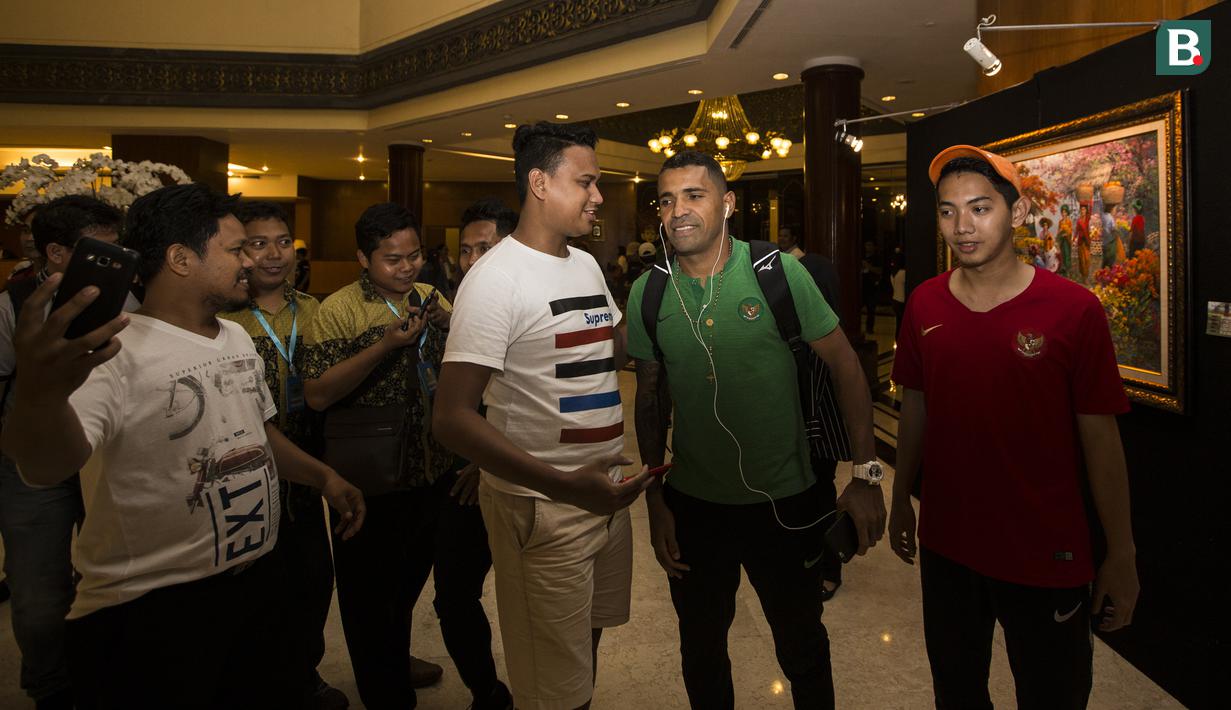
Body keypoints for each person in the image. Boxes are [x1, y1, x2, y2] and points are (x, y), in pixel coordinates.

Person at [1, 183, 366, 710]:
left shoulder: (234, 338)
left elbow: (257, 433)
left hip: (254, 581)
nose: (251, 261)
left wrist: (322, 476)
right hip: (153, 608)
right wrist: (40, 391)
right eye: (235, 249)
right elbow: (45, 467)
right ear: (180, 258)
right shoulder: (111, 352)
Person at [627, 150, 885, 710]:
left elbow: (847, 366)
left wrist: (866, 475)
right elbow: (649, 397)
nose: (677, 211)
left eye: (693, 195)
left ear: (727, 204)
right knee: (701, 650)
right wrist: (655, 499)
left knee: (802, 647)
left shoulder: (777, 273)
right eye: (666, 200)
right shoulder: (649, 291)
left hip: (788, 501)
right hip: (694, 507)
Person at [889, 146, 1139, 710]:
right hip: (949, 546)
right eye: (948, 211)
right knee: (956, 691)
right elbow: (916, 408)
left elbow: (1101, 439)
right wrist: (901, 495)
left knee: (1053, 695)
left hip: (1045, 552)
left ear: (1017, 213)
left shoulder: (1073, 309)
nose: (962, 226)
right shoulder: (925, 303)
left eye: (980, 208)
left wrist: (1121, 552)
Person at [433, 122, 651, 710]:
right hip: (544, 504)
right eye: (586, 182)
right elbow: (451, 417)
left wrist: (666, 296)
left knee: (583, 650)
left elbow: (608, 354)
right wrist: (564, 485)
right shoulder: (495, 280)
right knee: (551, 685)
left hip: (604, 494)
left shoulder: (584, 264)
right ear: (540, 183)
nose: (598, 196)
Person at [301, 202, 457, 708]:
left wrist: (449, 323)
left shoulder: (430, 296)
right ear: (363, 259)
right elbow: (317, 394)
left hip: (431, 466)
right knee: (368, 596)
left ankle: (394, 657)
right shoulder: (338, 310)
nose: (407, 267)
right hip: (368, 476)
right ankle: (385, 692)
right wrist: (384, 346)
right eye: (393, 259)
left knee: (408, 582)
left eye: (414, 255)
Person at [0, 195, 132, 710]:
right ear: (56, 253)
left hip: (108, 457)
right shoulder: (12, 307)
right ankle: (51, 688)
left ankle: (107, 678)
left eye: (119, 249)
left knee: (113, 576)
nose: (116, 262)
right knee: (38, 591)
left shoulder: (131, 300)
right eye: (101, 252)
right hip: (31, 468)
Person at [219, 201, 347, 710]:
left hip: (307, 474)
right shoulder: (221, 318)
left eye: (282, 242)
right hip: (243, 475)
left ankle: (302, 674)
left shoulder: (317, 311)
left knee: (312, 580)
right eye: (258, 243)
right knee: (253, 589)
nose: (274, 254)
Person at [775, 223, 849, 599]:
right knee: (803, 499)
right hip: (803, 433)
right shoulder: (797, 340)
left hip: (819, 435)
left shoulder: (824, 343)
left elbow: (826, 392)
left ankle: (828, 569)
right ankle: (803, 561)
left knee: (819, 497)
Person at [861, 240, 882, 333]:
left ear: (874, 247)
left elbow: (879, 271)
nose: (868, 247)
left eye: (870, 245)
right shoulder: (861, 257)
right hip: (862, 287)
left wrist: (868, 266)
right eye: (866, 245)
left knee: (871, 309)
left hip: (872, 287)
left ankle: (869, 329)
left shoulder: (877, 258)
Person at [1056, 204, 1073, 277]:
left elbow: (1070, 230)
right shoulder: (1060, 222)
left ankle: (1068, 269)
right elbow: (1058, 230)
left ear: (1067, 213)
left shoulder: (1069, 221)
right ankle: (1063, 268)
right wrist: (1059, 233)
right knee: (1062, 254)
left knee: (1067, 254)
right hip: (1061, 240)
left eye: (1065, 212)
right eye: (1062, 212)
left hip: (1067, 240)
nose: (1063, 214)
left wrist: (1066, 234)